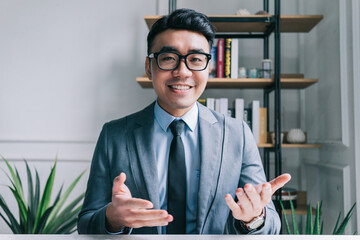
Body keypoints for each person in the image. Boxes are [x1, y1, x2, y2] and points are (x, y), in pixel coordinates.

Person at [77, 8, 291, 235]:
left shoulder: (238, 134)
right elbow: (86, 223)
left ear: (209, 67)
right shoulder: (114, 135)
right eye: (168, 58)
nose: (182, 72)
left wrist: (253, 218)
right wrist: (112, 218)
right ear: (149, 67)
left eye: (196, 60)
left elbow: (271, 225)